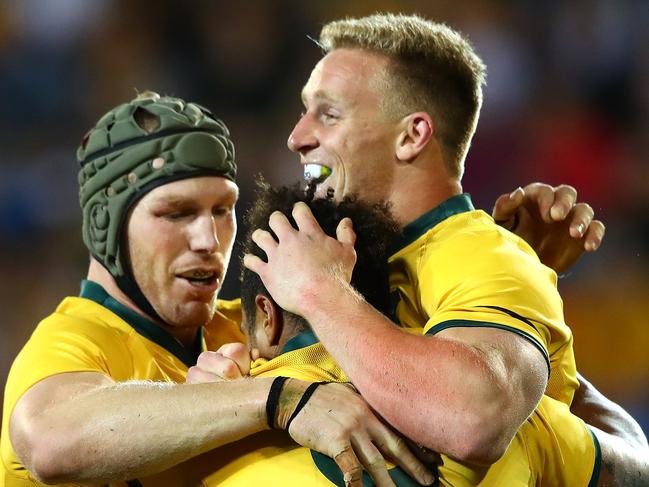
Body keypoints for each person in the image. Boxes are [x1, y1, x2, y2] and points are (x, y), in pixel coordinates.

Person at [240, 13, 648, 485]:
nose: (297, 137)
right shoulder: (320, 253)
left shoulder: (482, 255)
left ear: (412, 136)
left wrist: (321, 294)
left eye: (328, 114)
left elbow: (472, 421)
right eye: (305, 110)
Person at [1, 93, 432, 487]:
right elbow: (50, 441)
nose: (209, 240)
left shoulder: (258, 324)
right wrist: (276, 398)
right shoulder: (70, 343)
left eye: (223, 210)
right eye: (177, 213)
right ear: (104, 228)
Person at [194, 181, 601, 486]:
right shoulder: (506, 424)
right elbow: (628, 462)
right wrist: (525, 303)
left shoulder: (214, 447)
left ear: (266, 316)